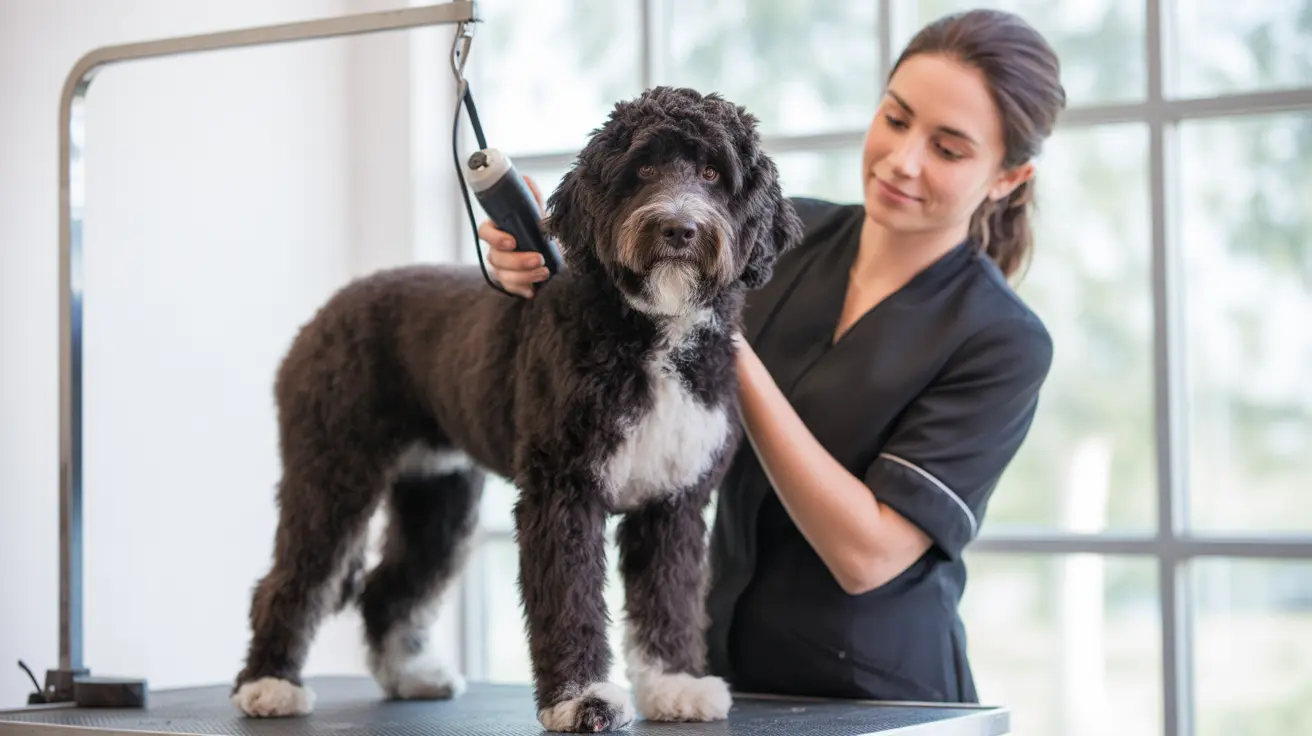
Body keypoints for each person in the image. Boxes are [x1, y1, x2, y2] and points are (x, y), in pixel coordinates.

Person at [478, 9, 1066, 705]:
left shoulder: (1002, 340)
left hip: (880, 695)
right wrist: (554, 257)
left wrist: (719, 336)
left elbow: (868, 555)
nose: (903, 160)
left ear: (1008, 177)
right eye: (896, 118)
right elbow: (626, 295)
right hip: (724, 669)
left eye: (948, 148)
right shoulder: (788, 231)